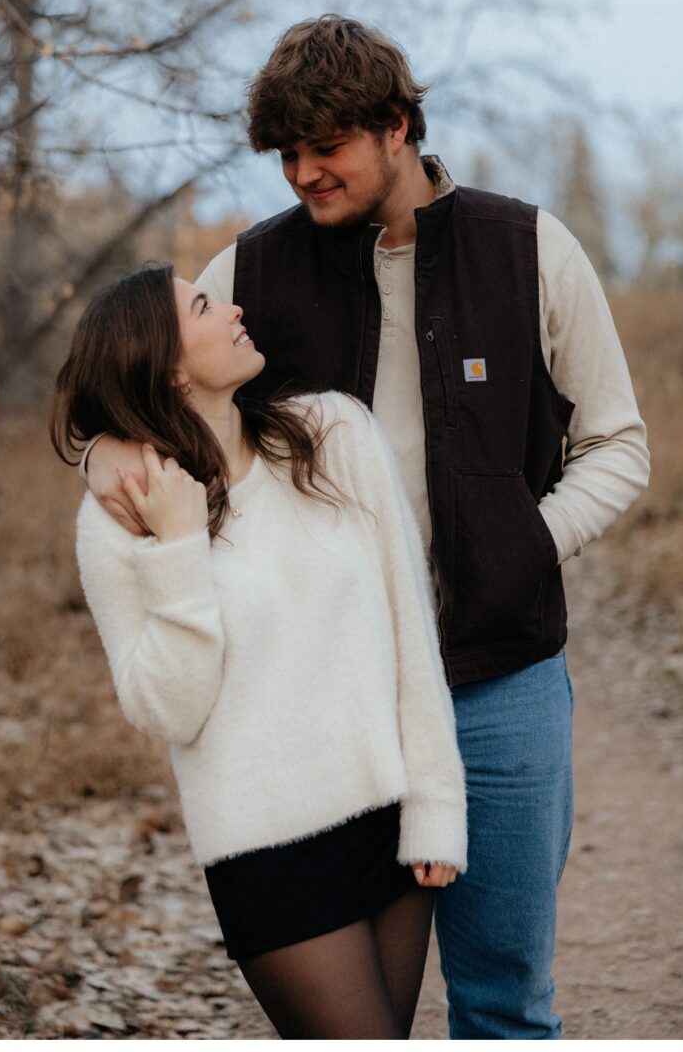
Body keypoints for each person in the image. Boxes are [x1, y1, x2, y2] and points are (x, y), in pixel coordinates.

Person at [79, 15, 650, 1038]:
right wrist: (104, 452)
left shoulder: (528, 249)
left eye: (324, 146)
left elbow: (619, 444)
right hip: (333, 700)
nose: (303, 172)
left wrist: (529, 542)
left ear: (395, 126)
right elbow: (144, 371)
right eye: (287, 153)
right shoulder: (252, 270)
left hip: (500, 680)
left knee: (504, 994)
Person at [54, 265, 466, 1038]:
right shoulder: (120, 519)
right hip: (266, 851)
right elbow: (166, 709)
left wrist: (436, 807)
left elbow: (411, 631)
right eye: (204, 307)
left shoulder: (333, 434)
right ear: (168, 370)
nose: (235, 307)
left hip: (387, 820)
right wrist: (176, 546)